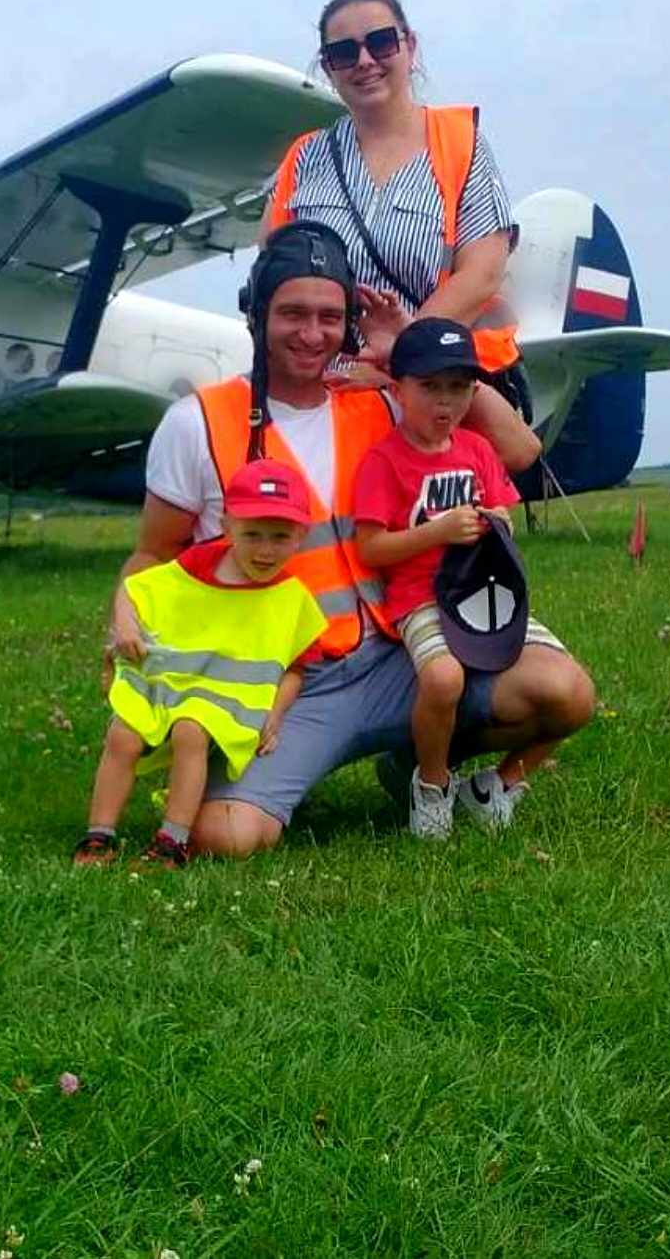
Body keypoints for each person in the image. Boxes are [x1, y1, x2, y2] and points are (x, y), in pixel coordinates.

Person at [117, 221, 594, 858]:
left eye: (329, 316)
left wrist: (412, 351)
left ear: (349, 323)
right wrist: (126, 628)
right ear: (256, 314)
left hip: (405, 655)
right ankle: (327, 763)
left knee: (565, 693)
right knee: (225, 836)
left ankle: (417, 762)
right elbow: (154, 553)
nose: (312, 334)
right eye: (292, 314)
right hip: (296, 683)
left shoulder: (385, 403)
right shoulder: (196, 423)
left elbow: (520, 450)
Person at [263, 0, 536, 470]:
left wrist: (404, 354)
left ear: (409, 46)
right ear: (328, 66)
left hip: (430, 394)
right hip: (322, 396)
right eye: (344, 52)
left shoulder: (462, 143)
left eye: (381, 42)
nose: (364, 60)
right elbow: (271, 272)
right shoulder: (302, 159)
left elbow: (482, 274)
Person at [76, 458, 329, 870]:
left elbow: (296, 669)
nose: (265, 550)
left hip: (229, 701)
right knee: (123, 734)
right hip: (168, 681)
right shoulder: (197, 565)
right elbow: (136, 589)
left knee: (190, 730)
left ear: (301, 536)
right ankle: (98, 835)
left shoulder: (292, 598)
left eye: (280, 537)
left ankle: (171, 841)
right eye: (252, 534)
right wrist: (125, 625)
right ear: (227, 526)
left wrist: (274, 714)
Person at [351, 317, 523, 840]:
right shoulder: (383, 460)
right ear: (398, 389)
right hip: (420, 597)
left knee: (576, 692)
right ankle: (432, 785)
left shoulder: (477, 450)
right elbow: (370, 548)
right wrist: (438, 532)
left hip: (482, 591)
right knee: (444, 679)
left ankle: (497, 785)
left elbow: (506, 513)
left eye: (459, 386)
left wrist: (497, 520)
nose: (445, 401)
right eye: (429, 386)